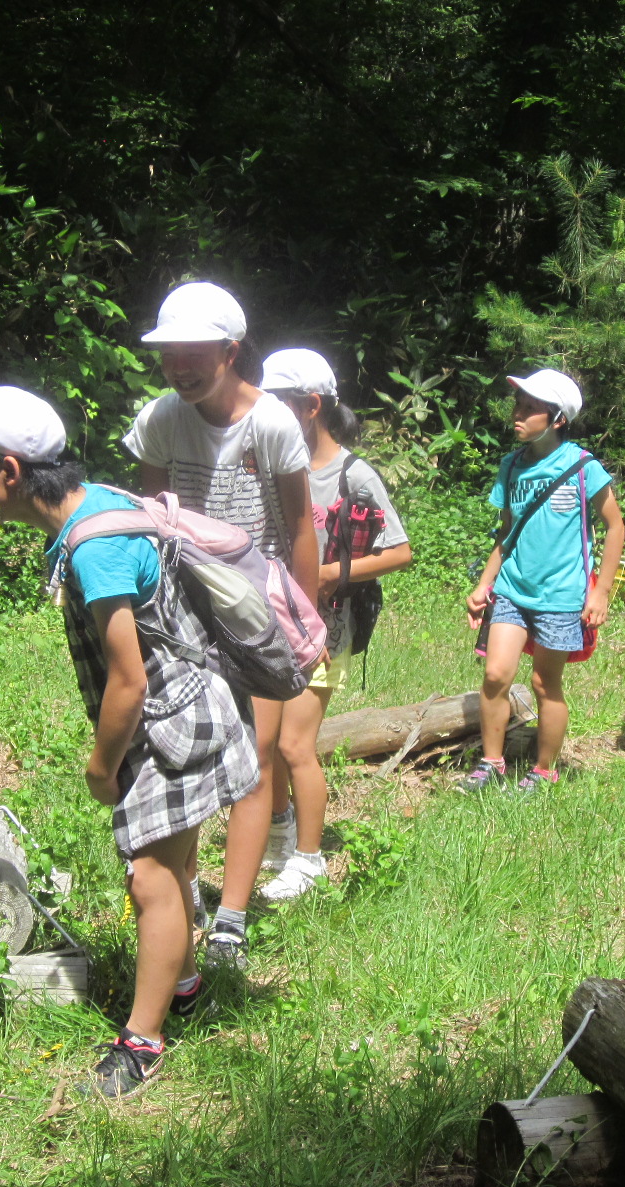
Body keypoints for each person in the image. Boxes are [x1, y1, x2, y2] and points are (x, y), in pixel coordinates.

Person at [0, 385, 259, 1099]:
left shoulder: (95, 550)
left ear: (7, 470)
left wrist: (101, 767)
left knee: (151, 878)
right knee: (167, 866)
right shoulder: (97, 504)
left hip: (170, 724)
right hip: (183, 713)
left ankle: (142, 1043)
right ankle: (184, 983)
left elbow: (129, 681)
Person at [123, 282, 318, 964]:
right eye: (169, 353)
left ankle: (231, 917)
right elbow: (149, 515)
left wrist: (304, 627)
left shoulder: (272, 424)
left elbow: (300, 526)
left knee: (255, 761)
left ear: (231, 352)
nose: (178, 367)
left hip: (253, 610)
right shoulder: (160, 418)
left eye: (193, 353)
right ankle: (185, 890)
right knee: (177, 753)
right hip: (179, 610)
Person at [261, 349, 412, 899]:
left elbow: (400, 551)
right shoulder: (269, 467)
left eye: (277, 401)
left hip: (326, 630)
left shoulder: (354, 476)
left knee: (294, 744)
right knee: (266, 742)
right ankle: (278, 834)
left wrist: (330, 574)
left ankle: (309, 860)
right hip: (268, 624)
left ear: (310, 406)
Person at [460, 369, 625, 792]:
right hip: (512, 590)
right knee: (496, 676)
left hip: (562, 595)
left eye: (530, 408)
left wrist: (601, 592)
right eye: (518, 405)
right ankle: (491, 764)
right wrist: (483, 584)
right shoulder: (511, 465)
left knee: (543, 683)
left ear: (558, 419)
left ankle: (544, 770)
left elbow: (615, 526)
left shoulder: (582, 465)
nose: (518, 414)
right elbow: (506, 533)